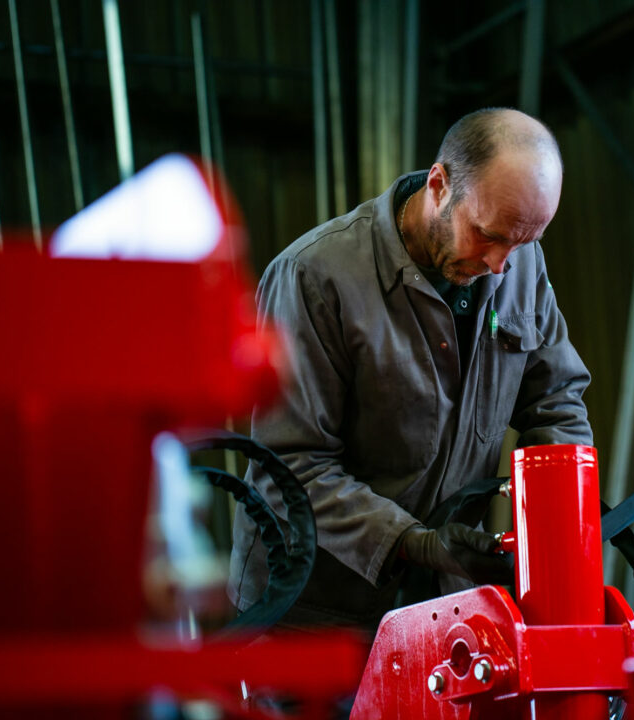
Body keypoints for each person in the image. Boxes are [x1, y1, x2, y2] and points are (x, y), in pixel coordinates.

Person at [229, 107, 593, 631]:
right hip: (314, 612)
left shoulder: (515, 260)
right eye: (487, 235)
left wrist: (558, 522)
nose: (500, 265)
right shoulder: (315, 278)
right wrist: (412, 544)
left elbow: (556, 397)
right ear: (440, 186)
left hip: (438, 608)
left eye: (524, 242)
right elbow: (290, 466)